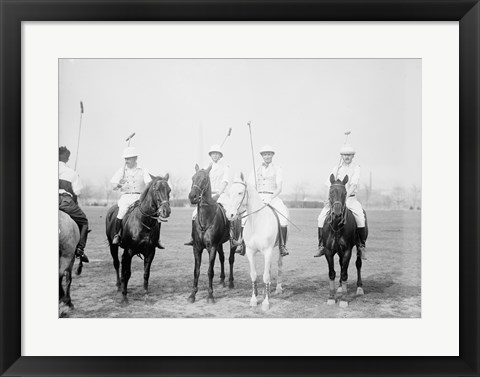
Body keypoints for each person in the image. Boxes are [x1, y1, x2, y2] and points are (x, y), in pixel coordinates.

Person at [235, 144, 290, 257]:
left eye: (269, 154)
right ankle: (242, 243)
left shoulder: (278, 169)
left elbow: (279, 188)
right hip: (258, 197)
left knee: (283, 216)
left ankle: (282, 246)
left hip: (272, 197)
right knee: (244, 217)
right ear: (262, 156)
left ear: (272, 155)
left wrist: (271, 197)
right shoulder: (256, 169)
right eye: (265, 154)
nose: (267, 156)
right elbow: (250, 186)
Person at [314, 143, 367, 259]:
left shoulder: (356, 167)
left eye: (349, 155)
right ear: (341, 156)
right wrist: (326, 200)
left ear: (353, 156)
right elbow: (328, 185)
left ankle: (361, 246)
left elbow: (353, 184)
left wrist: (346, 197)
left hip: (350, 199)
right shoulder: (336, 168)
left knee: (360, 218)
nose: (347, 157)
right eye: (344, 155)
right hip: (335, 201)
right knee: (321, 218)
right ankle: (322, 245)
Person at [110, 146, 164, 249]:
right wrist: (119, 184)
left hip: (140, 196)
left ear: (135, 158)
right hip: (126, 197)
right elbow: (113, 185)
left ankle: (157, 239)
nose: (126, 161)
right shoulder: (121, 171)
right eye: (125, 158)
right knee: (122, 211)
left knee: (156, 215)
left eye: (128, 158)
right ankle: (117, 235)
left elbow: (148, 183)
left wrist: (145, 193)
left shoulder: (143, 170)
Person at [185, 144, 231, 246]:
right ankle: (193, 237)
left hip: (221, 195)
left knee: (229, 214)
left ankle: (233, 237)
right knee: (194, 214)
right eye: (213, 154)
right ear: (210, 155)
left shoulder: (225, 167)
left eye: (217, 154)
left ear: (220, 156)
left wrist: (218, 194)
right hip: (206, 196)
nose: (215, 156)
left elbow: (225, 182)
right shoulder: (206, 167)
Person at [58, 146, 90, 263]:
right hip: (64, 201)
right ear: (67, 159)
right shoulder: (71, 172)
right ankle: (80, 249)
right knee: (84, 221)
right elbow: (77, 192)